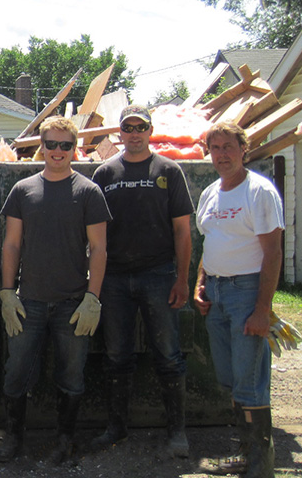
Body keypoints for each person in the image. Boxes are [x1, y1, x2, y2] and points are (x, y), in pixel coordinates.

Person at [0, 115, 110, 464]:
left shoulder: (89, 192)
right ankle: (13, 438)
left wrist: (93, 298)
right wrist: (6, 292)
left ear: (75, 149)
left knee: (71, 375)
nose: (57, 151)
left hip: (72, 304)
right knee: (16, 373)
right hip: (28, 302)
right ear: (40, 147)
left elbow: (99, 249)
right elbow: (11, 245)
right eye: (51, 144)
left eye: (65, 145)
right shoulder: (23, 190)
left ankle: (65, 441)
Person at [89, 104, 194, 458]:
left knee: (169, 356)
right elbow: (94, 234)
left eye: (140, 127)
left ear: (150, 131)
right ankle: (116, 428)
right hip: (115, 279)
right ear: (119, 133)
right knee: (116, 356)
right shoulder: (105, 173)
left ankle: (177, 432)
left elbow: (183, 230)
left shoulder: (169, 170)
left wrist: (182, 278)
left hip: (159, 275)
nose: (134, 133)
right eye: (128, 128)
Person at [194, 121, 284, 478]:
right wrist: (202, 283)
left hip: (247, 292)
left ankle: (261, 465)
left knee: (249, 378)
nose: (221, 155)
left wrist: (262, 309)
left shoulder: (259, 191)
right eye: (214, 148)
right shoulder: (211, 193)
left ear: (244, 149)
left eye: (228, 147)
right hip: (216, 291)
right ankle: (246, 454)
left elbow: (273, 254)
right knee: (230, 376)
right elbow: (208, 242)